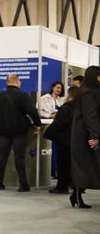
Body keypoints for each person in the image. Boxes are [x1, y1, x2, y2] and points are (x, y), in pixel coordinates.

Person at [0, 74, 42, 192]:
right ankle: (23, 184)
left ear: (7, 82)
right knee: (19, 157)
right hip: (19, 131)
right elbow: (32, 111)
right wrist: (37, 124)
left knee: (2, 157)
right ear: (17, 81)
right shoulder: (23, 95)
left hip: (3, 131)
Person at [70, 65, 100, 209]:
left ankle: (76, 195)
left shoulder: (86, 91)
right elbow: (90, 116)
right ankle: (76, 195)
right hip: (85, 135)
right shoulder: (88, 93)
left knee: (83, 166)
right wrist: (94, 135)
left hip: (83, 134)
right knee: (84, 166)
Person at [44, 86, 78, 194]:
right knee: (75, 164)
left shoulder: (66, 107)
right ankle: (78, 186)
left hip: (65, 140)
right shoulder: (82, 107)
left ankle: (62, 186)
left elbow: (59, 124)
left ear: (69, 95)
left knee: (63, 164)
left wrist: (50, 134)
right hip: (77, 140)